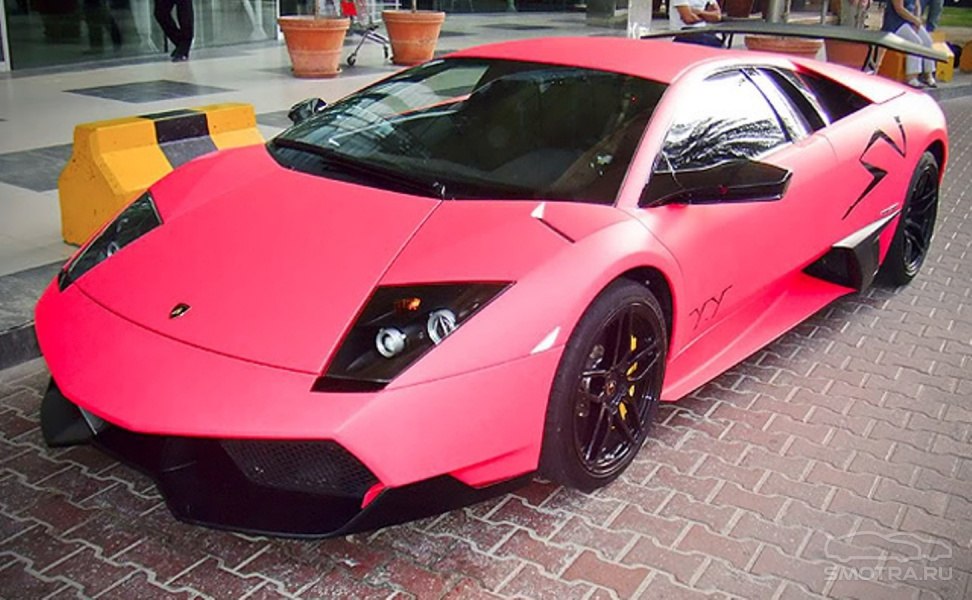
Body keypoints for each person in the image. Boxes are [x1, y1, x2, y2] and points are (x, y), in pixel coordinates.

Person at [882, 0, 937, 88]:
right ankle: (912, 77)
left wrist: (917, 19)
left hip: (910, 21)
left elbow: (917, 5)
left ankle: (928, 74)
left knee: (927, 41)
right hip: (896, 24)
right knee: (915, 41)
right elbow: (899, 9)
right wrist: (914, 20)